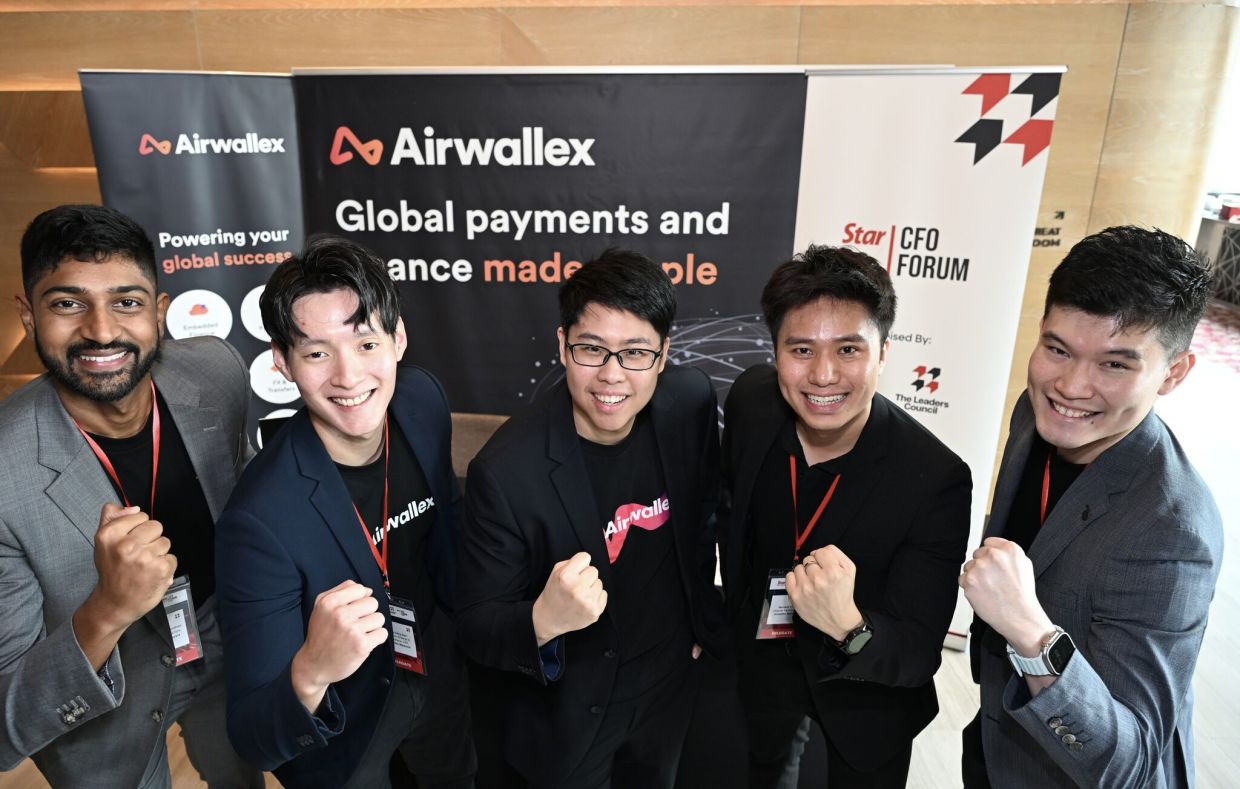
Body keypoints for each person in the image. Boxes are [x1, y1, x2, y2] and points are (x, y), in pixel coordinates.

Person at [0, 204, 261, 788]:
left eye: (126, 302)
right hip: (102, 702)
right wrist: (108, 610)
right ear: (28, 316)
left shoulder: (217, 372)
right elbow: (5, 723)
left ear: (159, 312)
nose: (100, 330)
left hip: (224, 638)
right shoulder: (3, 475)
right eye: (67, 304)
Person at [959, 226, 1223, 788]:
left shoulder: (1172, 531)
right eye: (1058, 350)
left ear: (1173, 373)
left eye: (1114, 365)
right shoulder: (1037, 412)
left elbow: (1129, 764)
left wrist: (1031, 634)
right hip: (999, 746)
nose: (1072, 386)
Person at [454, 249, 729, 788]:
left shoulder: (689, 402)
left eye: (635, 352)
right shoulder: (507, 470)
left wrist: (699, 621)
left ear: (663, 354)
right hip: (569, 713)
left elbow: (701, 514)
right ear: (562, 345)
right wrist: (543, 620)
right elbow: (475, 626)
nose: (611, 374)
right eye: (592, 349)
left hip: (667, 689)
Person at [214, 235, 475, 788]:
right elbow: (253, 737)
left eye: (365, 343)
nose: (349, 376)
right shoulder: (258, 521)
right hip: (347, 722)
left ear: (398, 339)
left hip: (437, 667)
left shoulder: (421, 400)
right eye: (316, 353)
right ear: (283, 362)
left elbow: (448, 527)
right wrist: (311, 669)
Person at [718, 244, 972, 787]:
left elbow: (916, 652)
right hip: (761, 666)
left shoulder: (934, 478)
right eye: (801, 349)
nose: (824, 375)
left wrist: (848, 626)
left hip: (865, 694)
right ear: (775, 352)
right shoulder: (751, 403)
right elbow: (731, 519)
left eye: (849, 349)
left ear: (883, 354)